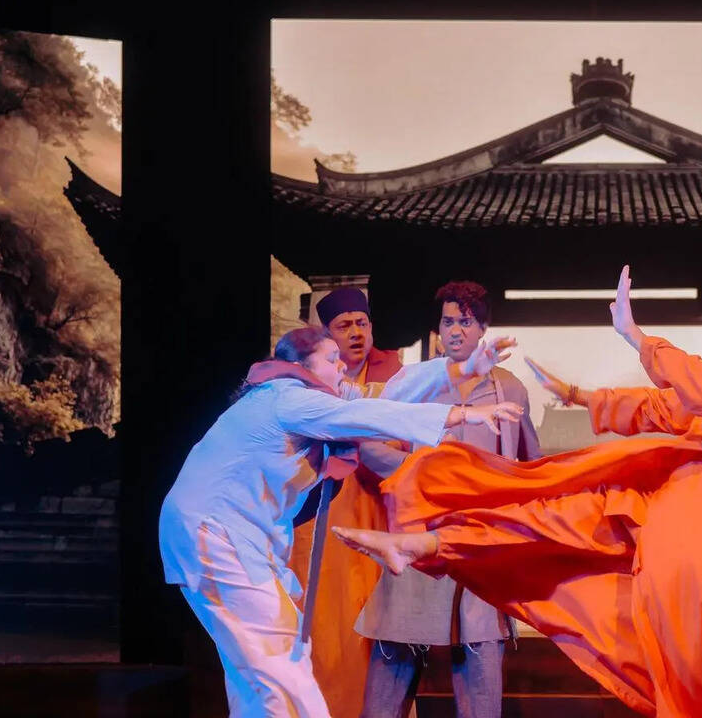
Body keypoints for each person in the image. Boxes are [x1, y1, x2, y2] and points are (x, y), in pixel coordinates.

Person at [334, 265, 702, 718]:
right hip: (673, 497)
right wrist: (577, 395)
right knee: (553, 512)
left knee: (692, 657)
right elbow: (669, 407)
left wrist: (635, 335)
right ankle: (429, 543)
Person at [159, 325, 522, 718]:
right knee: (280, 656)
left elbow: (386, 396)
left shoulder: (301, 397)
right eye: (332, 360)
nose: (342, 367)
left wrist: (462, 369)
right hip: (215, 534)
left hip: (229, 536)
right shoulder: (289, 399)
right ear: (303, 366)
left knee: (260, 666)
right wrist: (461, 414)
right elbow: (365, 413)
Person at [355, 281, 542, 718]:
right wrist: (418, 471)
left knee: (480, 665)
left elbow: (530, 465)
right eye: (448, 321)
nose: (455, 331)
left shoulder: (509, 389)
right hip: (416, 540)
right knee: (391, 668)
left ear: (483, 328)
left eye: (466, 322)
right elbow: (367, 443)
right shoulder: (418, 382)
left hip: (478, 545)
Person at [297, 285, 405, 718]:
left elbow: (402, 448)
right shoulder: (307, 386)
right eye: (344, 326)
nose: (357, 333)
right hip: (322, 520)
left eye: (362, 323)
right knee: (324, 628)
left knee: (376, 630)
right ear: (327, 335)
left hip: (377, 516)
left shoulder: (394, 381)